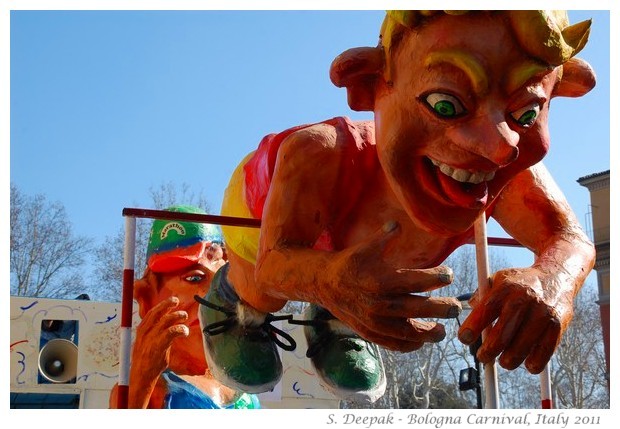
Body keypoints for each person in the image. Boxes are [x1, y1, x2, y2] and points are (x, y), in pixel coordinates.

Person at [197, 10, 597, 403]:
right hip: (261, 206)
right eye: (445, 103)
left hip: (359, 248)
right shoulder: (320, 154)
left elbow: (570, 241)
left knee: (378, 273)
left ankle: (337, 322)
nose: (497, 146)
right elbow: (274, 264)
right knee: (264, 292)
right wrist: (328, 281)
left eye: (525, 112)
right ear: (370, 84)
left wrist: (552, 280)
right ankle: (234, 307)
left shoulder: (505, 172)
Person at [109, 205, 260, 409]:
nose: (215, 296)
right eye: (194, 278)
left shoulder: (245, 394)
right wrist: (141, 380)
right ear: (147, 299)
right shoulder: (150, 390)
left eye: (225, 282)